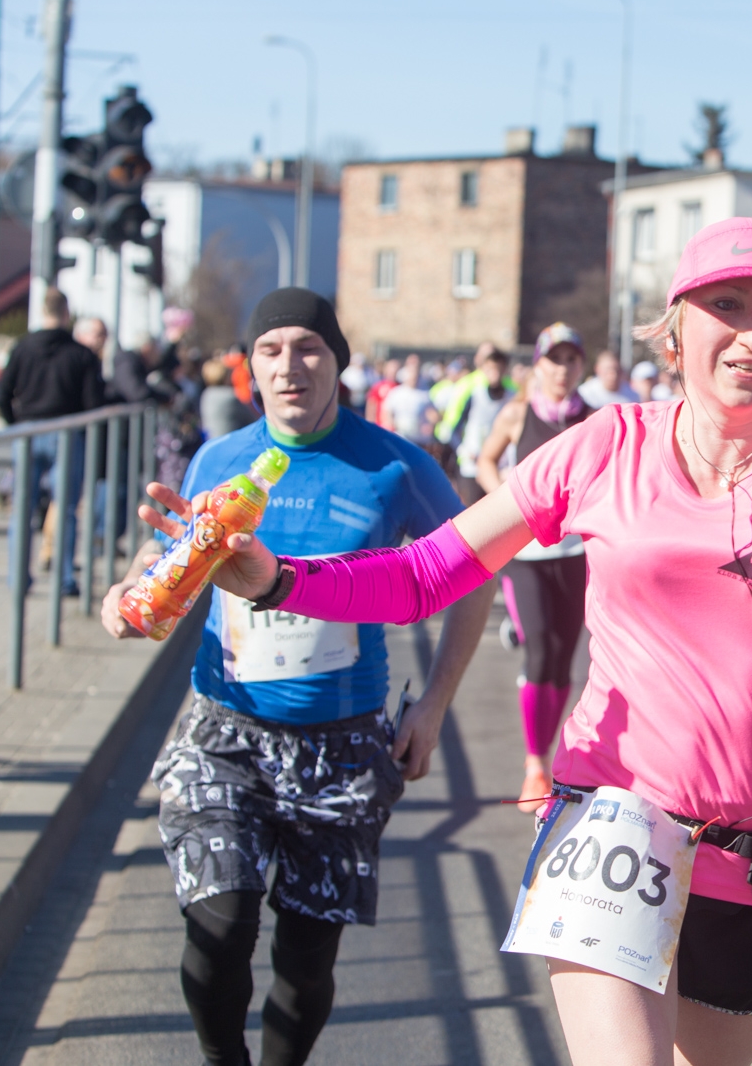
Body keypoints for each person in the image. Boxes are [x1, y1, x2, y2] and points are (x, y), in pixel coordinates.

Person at [142, 216, 752, 1066]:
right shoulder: (605, 445)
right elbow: (427, 572)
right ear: (673, 330)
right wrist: (278, 578)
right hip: (614, 827)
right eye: (725, 305)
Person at [99, 287, 494, 1066]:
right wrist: (126, 594)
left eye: (309, 348)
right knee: (218, 923)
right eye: (271, 349)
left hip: (341, 745)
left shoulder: (393, 466)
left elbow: (472, 574)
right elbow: (166, 565)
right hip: (225, 729)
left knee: (305, 962)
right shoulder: (221, 458)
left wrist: (435, 703)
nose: (290, 366)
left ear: (337, 363)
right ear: (250, 367)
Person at [476, 322, 596, 808]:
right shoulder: (517, 414)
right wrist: (510, 506)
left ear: (580, 366)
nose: (562, 369)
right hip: (526, 554)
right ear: (539, 364)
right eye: (554, 359)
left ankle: (546, 759)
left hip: (576, 554)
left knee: (565, 656)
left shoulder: (594, 419)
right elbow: (485, 461)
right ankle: (533, 763)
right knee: (538, 649)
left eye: (571, 359)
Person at [0, 287, 105, 596]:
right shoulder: (80, 354)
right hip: (67, 433)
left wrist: (15, 424)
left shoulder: (22, 348)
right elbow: (94, 403)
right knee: (67, 508)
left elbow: (0, 394)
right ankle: (64, 578)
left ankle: (17, 577)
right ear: (67, 314)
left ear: (42, 312)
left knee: (22, 509)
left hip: (27, 433)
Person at [448, 346, 513, 505]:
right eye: (490, 369)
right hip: (472, 465)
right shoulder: (475, 395)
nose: (494, 373)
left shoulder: (512, 398)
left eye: (498, 368)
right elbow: (454, 430)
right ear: (483, 370)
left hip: (500, 468)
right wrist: (465, 451)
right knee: (471, 511)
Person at [381, 358, 439, 447]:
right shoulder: (396, 393)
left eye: (416, 376)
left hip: (419, 439)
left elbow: (433, 414)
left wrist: (431, 426)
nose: (414, 378)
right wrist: (391, 427)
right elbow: (387, 412)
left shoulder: (425, 393)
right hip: (400, 437)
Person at [199, 358, 256, 440]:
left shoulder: (206, 395)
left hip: (211, 441)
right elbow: (251, 419)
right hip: (231, 443)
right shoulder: (230, 397)